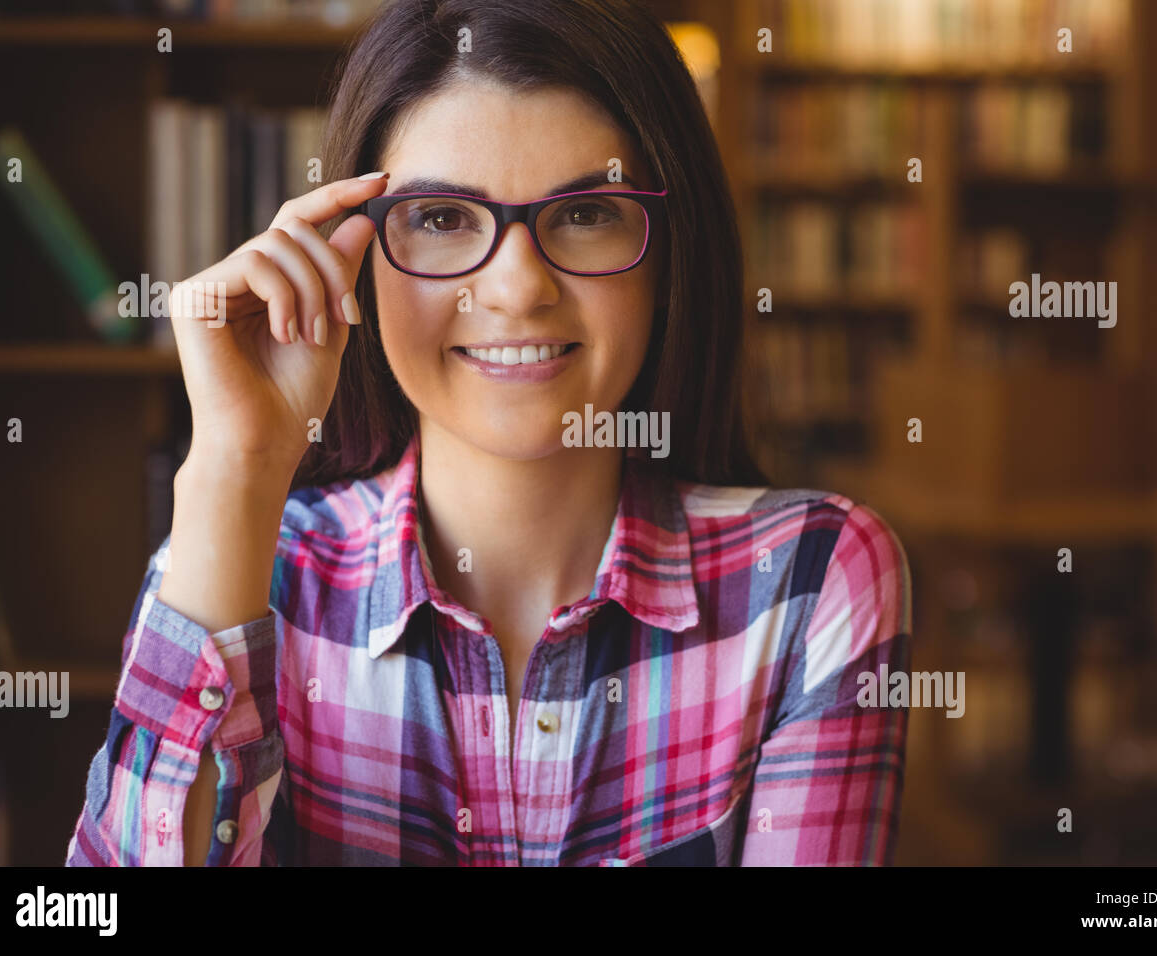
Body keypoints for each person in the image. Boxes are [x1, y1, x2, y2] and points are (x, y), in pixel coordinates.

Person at [65, 0, 911, 867]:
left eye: (586, 213)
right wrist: (235, 471)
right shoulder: (230, 576)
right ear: (349, 257)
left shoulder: (810, 585)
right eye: (440, 218)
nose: (515, 289)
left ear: (669, 250)